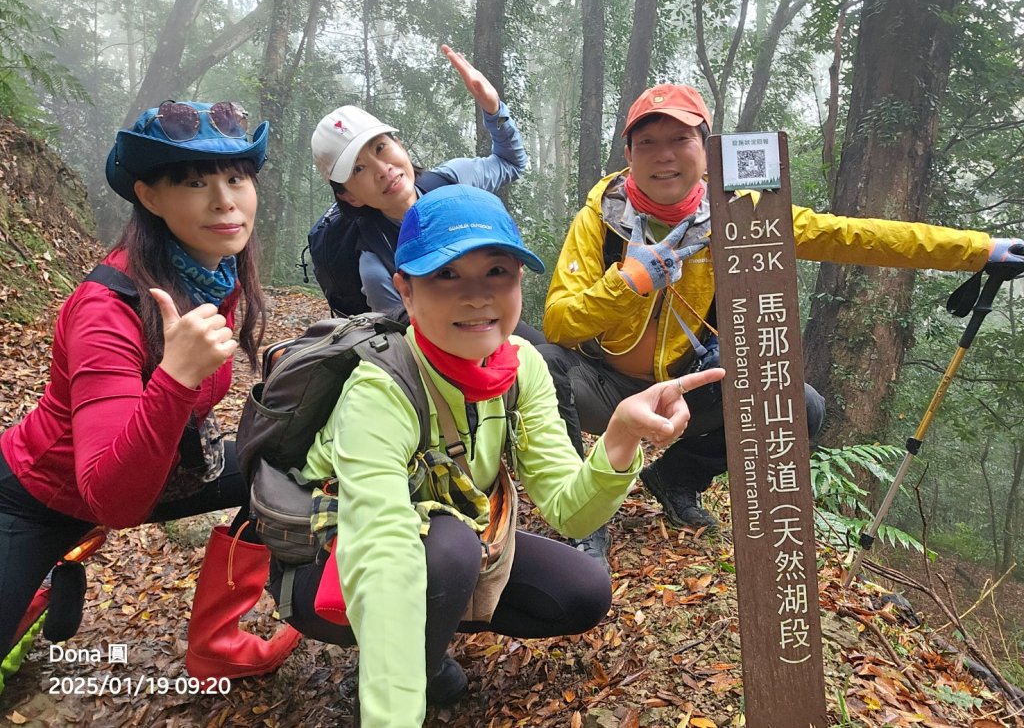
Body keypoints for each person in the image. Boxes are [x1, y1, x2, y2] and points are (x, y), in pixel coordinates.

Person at [267, 184, 725, 727]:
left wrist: (621, 435)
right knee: (449, 549)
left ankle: (429, 629)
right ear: (405, 291)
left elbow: (569, 509)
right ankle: (415, 665)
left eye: (497, 273)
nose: (477, 296)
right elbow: (383, 551)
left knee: (580, 592)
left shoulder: (521, 365)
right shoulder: (381, 387)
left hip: (448, 543)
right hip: (331, 562)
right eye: (446, 275)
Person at [540, 83, 1024, 566]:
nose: (663, 156)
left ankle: (676, 478)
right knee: (541, 358)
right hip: (601, 387)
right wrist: (629, 282)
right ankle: (587, 517)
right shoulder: (601, 218)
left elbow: (850, 235)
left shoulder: (740, 216)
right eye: (647, 142)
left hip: (682, 393)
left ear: (707, 151)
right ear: (628, 153)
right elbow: (560, 323)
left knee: (800, 404)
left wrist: (978, 250)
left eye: (680, 140)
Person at [0, 101, 301, 677]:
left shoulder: (212, 270)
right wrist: (176, 377)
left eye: (236, 177)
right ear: (149, 196)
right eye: (193, 181)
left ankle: (217, 645)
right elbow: (109, 500)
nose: (224, 199)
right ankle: (37, 593)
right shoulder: (105, 309)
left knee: (288, 461)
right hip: (39, 497)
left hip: (154, 469)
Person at [308, 45, 542, 345]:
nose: (382, 169)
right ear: (350, 198)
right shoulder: (375, 263)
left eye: (381, 148)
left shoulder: (449, 181)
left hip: (493, 316)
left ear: (400, 144)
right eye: (359, 170)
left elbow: (511, 163)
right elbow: (407, 343)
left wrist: (493, 109)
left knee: (556, 358)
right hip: (449, 347)